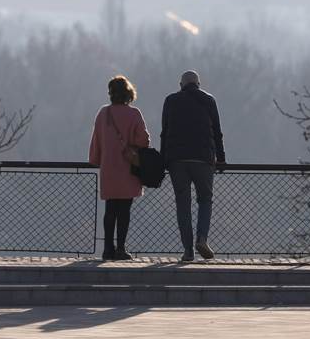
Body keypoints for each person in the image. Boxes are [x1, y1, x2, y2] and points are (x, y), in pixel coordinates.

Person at [160, 69, 226, 261]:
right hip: (203, 159)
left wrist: (163, 160)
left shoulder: (171, 101)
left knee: (183, 204)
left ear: (181, 85)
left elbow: (165, 132)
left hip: (177, 160)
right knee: (205, 199)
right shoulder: (209, 100)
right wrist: (221, 158)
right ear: (198, 84)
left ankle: (188, 250)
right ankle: (202, 238)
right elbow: (217, 132)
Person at [88, 75, 150, 260]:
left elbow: (96, 141)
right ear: (128, 93)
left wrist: (95, 159)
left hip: (108, 168)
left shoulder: (103, 114)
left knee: (110, 210)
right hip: (128, 169)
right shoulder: (134, 114)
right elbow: (143, 140)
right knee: (124, 211)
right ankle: (121, 248)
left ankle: (108, 249)